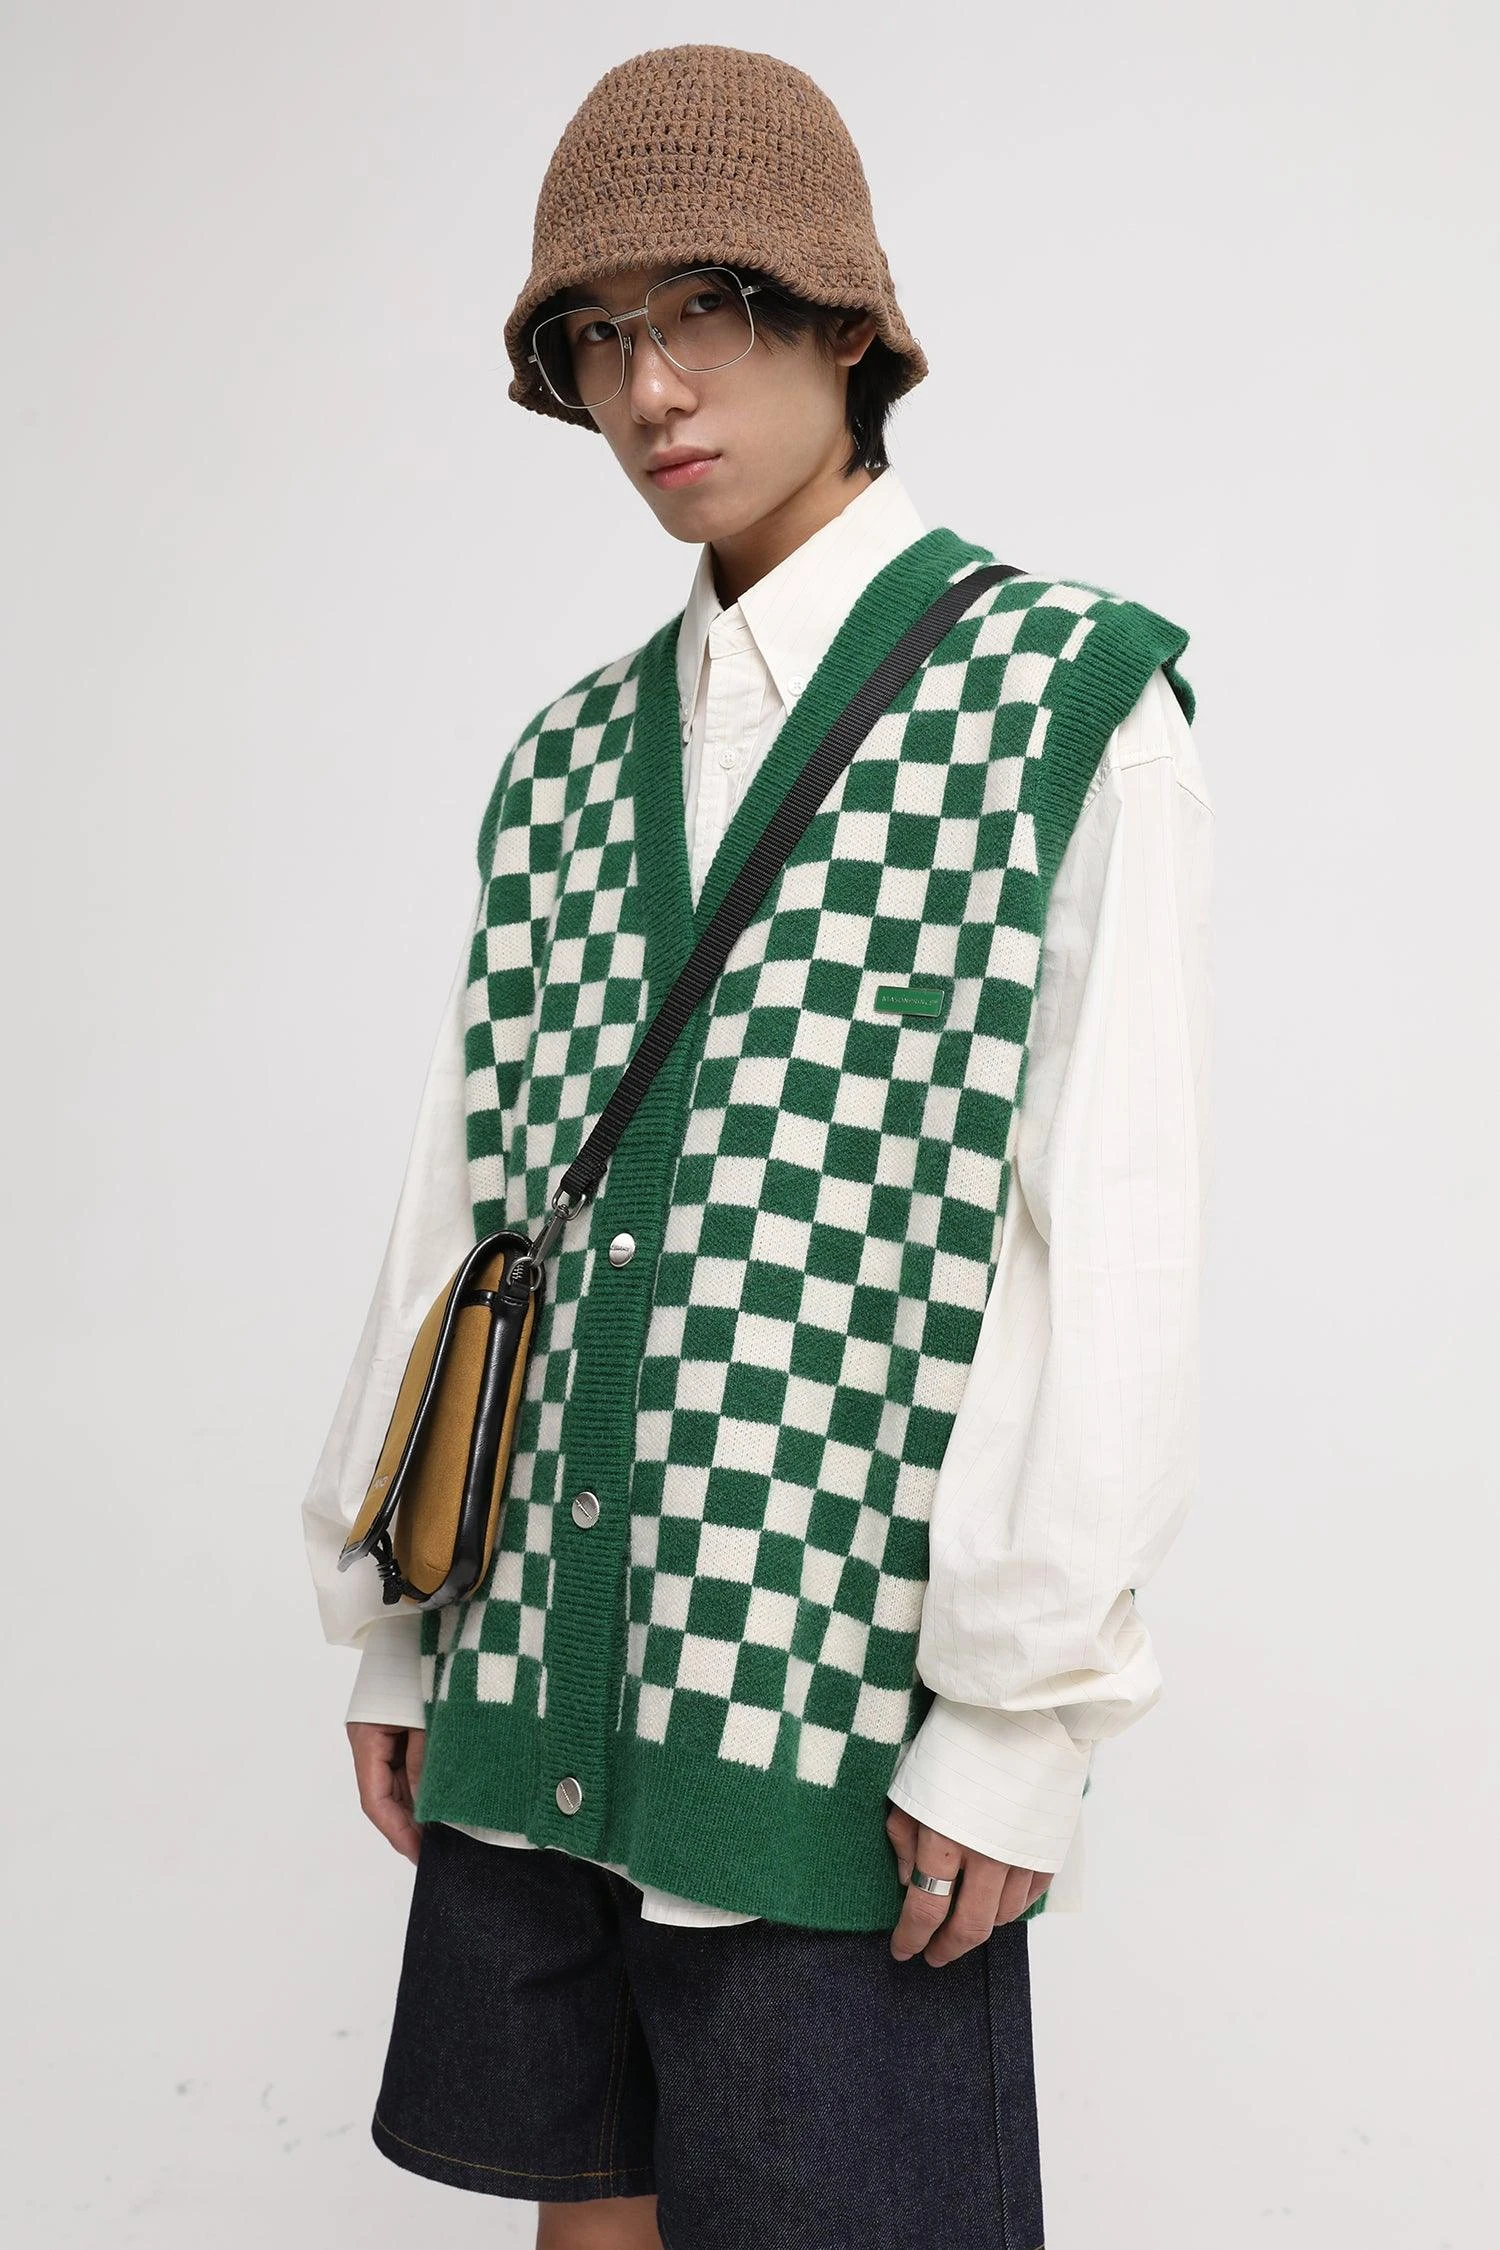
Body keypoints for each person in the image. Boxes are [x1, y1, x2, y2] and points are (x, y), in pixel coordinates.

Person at [301, 40, 1212, 2250]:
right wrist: (398, 1624)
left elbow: (1110, 1246)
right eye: (597, 337)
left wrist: (1017, 1723)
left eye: (702, 309)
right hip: (532, 1651)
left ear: (840, 319)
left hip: (825, 1710)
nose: (650, 390)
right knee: (585, 2216)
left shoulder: (1061, 701)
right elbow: (461, 1204)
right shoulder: (563, 760)